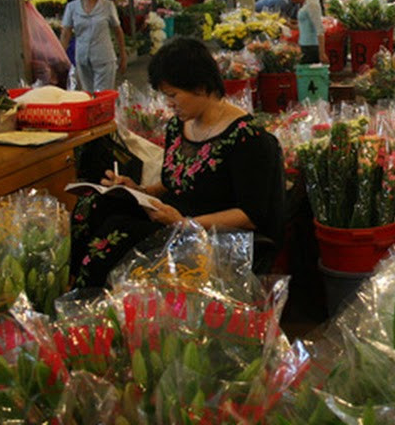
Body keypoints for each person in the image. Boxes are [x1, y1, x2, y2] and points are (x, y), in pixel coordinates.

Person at [70, 37, 286, 287]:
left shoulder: (248, 138)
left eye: (173, 95)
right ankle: (71, 284)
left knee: (118, 232)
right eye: (165, 95)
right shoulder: (178, 126)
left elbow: (250, 215)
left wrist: (184, 223)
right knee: (94, 204)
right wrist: (136, 191)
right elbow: (172, 183)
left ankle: (85, 300)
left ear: (201, 87)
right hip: (170, 216)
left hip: (209, 231)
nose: (169, 104)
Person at [60, 0, 127, 92]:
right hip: (82, 59)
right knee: (88, 94)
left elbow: (118, 30)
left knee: (102, 94)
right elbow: (66, 34)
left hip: (104, 57)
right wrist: (60, 58)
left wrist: (123, 54)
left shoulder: (107, 5)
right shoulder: (72, 7)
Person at [297, 0, 328, 65]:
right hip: (305, 44)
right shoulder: (308, 2)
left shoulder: (312, 4)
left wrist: (321, 53)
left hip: (311, 47)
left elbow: (320, 30)